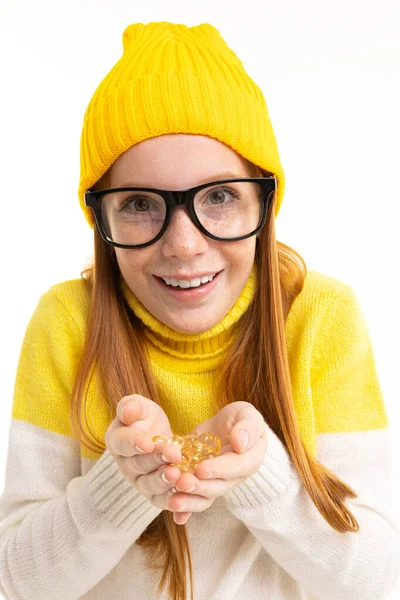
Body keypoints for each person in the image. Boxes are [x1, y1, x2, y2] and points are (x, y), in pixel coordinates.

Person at [0, 20, 399, 600]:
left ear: (264, 200)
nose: (185, 244)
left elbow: (377, 577)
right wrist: (125, 483)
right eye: (139, 203)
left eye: (219, 197)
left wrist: (262, 474)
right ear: (100, 219)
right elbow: (17, 577)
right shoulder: (67, 322)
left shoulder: (321, 317)